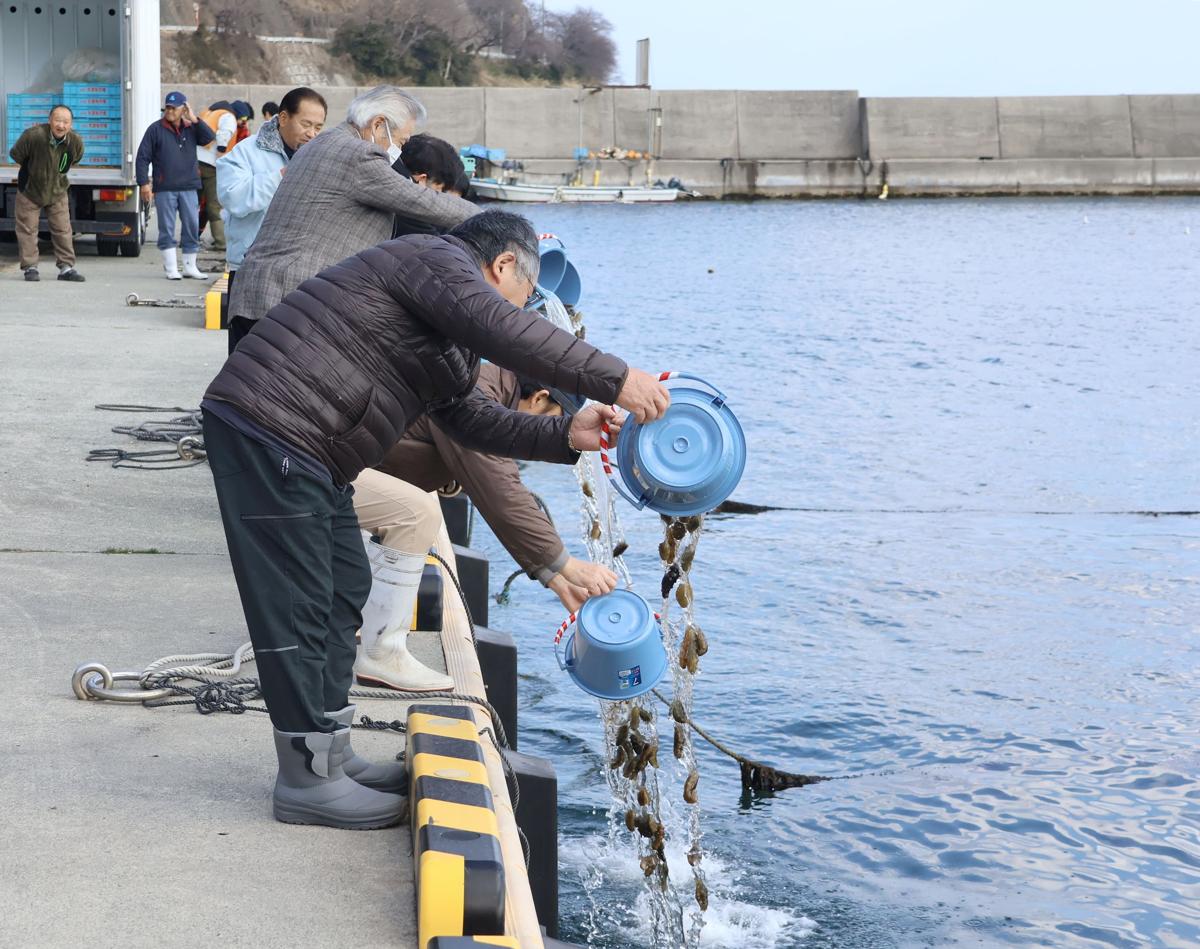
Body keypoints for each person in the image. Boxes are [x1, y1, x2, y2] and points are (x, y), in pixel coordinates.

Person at [199, 209, 670, 829]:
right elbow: (503, 328)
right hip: (270, 426)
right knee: (301, 602)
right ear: (503, 266)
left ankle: (333, 752)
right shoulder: (433, 261)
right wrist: (616, 378)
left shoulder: (446, 339)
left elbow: (471, 421)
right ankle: (305, 780)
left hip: (312, 450)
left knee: (345, 585)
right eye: (524, 297)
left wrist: (565, 433)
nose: (519, 313)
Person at [352, 364, 619, 693]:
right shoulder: (475, 395)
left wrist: (557, 581)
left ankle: (351, 617)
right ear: (538, 398)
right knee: (415, 514)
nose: (551, 437)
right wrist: (567, 563)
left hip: (336, 455)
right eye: (557, 422)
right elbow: (500, 489)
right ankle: (382, 654)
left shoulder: (482, 380)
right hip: (317, 462)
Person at [225, 85, 478, 351]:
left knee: (245, 390)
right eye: (401, 142)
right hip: (292, 303)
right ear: (379, 124)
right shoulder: (358, 154)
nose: (399, 152)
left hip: (259, 294)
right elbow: (421, 201)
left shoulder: (324, 142)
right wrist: (492, 220)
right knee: (286, 393)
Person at [216, 87, 328, 352]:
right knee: (248, 359)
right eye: (306, 124)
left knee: (292, 359)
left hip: (301, 273)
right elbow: (234, 199)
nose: (312, 134)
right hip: (250, 271)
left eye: (318, 127)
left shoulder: (319, 157)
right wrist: (283, 175)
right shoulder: (245, 152)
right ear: (283, 118)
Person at [135, 91, 214, 280]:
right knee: (166, 228)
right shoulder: (155, 129)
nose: (169, 111)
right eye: (167, 107)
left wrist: (194, 119)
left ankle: (190, 266)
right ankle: (171, 268)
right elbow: (142, 157)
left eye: (174, 108)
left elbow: (209, 137)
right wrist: (144, 183)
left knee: (192, 225)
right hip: (165, 187)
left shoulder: (191, 128)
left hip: (189, 186)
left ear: (183, 109)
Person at [8, 105, 85, 282]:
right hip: (30, 189)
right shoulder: (33, 135)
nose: (61, 125)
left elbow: (75, 158)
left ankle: (66, 268)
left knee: (63, 229)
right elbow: (16, 154)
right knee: (27, 230)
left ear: (71, 124)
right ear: (49, 120)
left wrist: (58, 174)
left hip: (57, 191)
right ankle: (30, 268)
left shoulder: (75, 141)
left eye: (66, 122)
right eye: (57, 120)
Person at [390, 132, 466, 238]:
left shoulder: (387, 170)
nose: (439, 198)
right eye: (438, 190)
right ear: (422, 179)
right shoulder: (409, 210)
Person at [196, 101, 239, 252]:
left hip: (196, 162)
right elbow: (224, 133)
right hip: (211, 164)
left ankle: (188, 239)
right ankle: (221, 243)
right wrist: (221, 151)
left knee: (193, 204)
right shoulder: (228, 116)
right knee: (214, 205)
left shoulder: (207, 113)